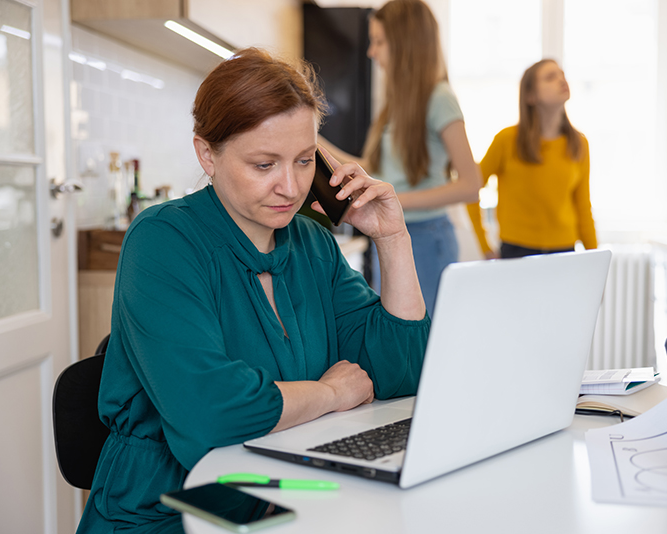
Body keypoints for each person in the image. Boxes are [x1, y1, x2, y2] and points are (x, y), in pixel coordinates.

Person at [77, 48, 430, 534]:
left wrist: (393, 239)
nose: (291, 187)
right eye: (265, 165)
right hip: (171, 508)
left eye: (305, 160)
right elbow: (212, 412)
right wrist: (328, 392)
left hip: (282, 490)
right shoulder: (162, 241)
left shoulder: (311, 242)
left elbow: (402, 372)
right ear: (207, 154)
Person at [320, 0, 481, 317]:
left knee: (421, 348)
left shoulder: (440, 99)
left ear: (405, 44)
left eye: (379, 41)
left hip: (426, 238)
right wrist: (312, 141)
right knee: (397, 338)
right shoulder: (393, 107)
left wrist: (395, 200)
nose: (371, 52)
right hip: (392, 234)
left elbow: (471, 186)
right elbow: (367, 169)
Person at [466, 59, 597, 259]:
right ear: (530, 96)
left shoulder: (579, 144)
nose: (561, 80)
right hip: (516, 251)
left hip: (565, 252)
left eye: (561, 74)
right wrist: (484, 246)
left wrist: (595, 261)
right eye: (550, 77)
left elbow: (583, 207)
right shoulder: (506, 140)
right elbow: (470, 191)